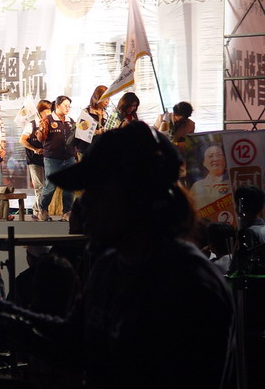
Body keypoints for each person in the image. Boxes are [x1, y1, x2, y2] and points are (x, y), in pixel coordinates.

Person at [17, 121, 234, 388]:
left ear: (138, 197)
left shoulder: (188, 282)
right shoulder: (110, 266)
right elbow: (74, 343)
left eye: (97, 192)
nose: (84, 205)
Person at [36, 96, 76, 222]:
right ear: (58, 106)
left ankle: (67, 212)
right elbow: (40, 138)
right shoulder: (47, 119)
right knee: (51, 186)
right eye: (65, 106)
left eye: (69, 106)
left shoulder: (70, 121)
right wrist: (41, 130)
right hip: (52, 158)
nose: (68, 108)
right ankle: (42, 210)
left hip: (69, 157)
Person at [19, 100, 51, 220]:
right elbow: (22, 140)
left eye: (50, 111)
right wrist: (34, 149)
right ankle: (39, 212)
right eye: (46, 111)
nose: (48, 113)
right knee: (39, 186)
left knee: (47, 186)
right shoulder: (32, 125)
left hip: (48, 159)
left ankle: (37, 208)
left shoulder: (51, 124)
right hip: (34, 160)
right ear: (40, 112)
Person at [189, 143, 229, 210]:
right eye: (210, 156)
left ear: (225, 159)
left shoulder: (234, 182)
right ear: (204, 163)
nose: (215, 159)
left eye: (218, 155)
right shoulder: (197, 186)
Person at [75, 85, 109, 159]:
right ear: (97, 97)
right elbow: (80, 131)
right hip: (85, 149)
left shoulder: (106, 114)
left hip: (99, 149)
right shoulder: (86, 112)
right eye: (105, 98)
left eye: (109, 98)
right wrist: (97, 132)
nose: (107, 101)